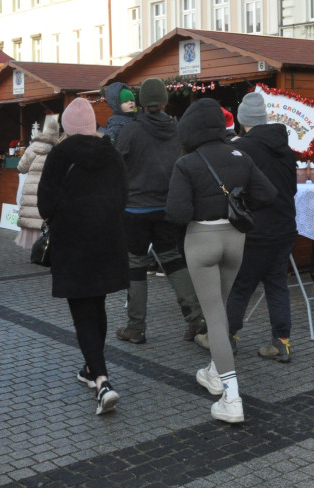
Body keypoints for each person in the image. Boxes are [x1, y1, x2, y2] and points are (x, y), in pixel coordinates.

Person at [166, 98, 276, 423]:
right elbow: (268, 194)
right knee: (222, 312)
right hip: (235, 240)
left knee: (213, 318)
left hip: (201, 240)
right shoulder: (240, 155)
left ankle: (232, 398)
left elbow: (176, 213)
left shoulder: (186, 163)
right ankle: (215, 371)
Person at [38, 98, 128, 415]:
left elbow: (44, 205)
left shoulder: (59, 155)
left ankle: (102, 381)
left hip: (72, 244)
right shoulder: (112, 154)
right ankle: (91, 369)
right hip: (107, 241)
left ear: (67, 127)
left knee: (82, 312)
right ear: (92, 124)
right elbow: (123, 197)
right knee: (97, 304)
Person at [115, 78, 204, 345]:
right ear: (165, 102)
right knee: (174, 262)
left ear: (141, 103)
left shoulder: (131, 131)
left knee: (135, 267)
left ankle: (136, 327)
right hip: (167, 208)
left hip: (135, 210)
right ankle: (196, 321)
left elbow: (117, 165)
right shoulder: (176, 129)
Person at [223, 91, 298, 363]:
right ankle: (281, 342)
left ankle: (228, 339)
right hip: (285, 226)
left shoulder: (242, 149)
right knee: (276, 284)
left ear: (242, 120)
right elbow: (291, 188)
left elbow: (234, 191)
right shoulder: (285, 148)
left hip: (256, 228)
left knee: (241, 284)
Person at [15, 114, 60, 250]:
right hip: (47, 189)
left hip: (31, 188)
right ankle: (44, 248)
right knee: (43, 218)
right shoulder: (57, 149)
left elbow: (21, 168)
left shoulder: (32, 147)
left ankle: (34, 250)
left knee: (32, 217)